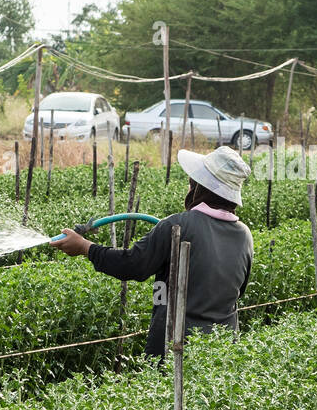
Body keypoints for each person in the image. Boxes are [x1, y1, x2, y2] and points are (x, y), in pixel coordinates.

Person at [52, 145, 254, 357]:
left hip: (176, 346)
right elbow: (238, 292)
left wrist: (85, 247)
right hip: (224, 349)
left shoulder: (177, 226)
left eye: (192, 183)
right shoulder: (244, 235)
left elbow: (133, 264)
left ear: (200, 189)